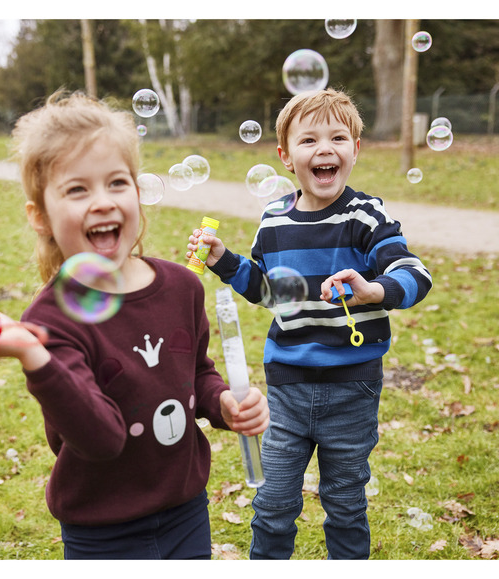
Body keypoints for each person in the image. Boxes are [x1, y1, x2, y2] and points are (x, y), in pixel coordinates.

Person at [0, 90, 269, 560]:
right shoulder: (51, 321)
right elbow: (101, 440)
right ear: (41, 217)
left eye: (117, 182)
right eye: (77, 190)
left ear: (137, 193)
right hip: (101, 529)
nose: (102, 201)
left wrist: (223, 403)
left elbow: (196, 372)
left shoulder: (181, 287)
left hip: (185, 510)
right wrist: (35, 355)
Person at [188, 88, 432, 559]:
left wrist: (373, 289)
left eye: (338, 138)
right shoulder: (273, 220)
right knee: (273, 505)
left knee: (345, 504)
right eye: (309, 140)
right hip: (288, 387)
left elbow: (414, 273)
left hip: (353, 388)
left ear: (355, 150)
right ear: (285, 157)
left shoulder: (367, 216)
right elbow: (269, 291)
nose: (325, 149)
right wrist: (224, 261)